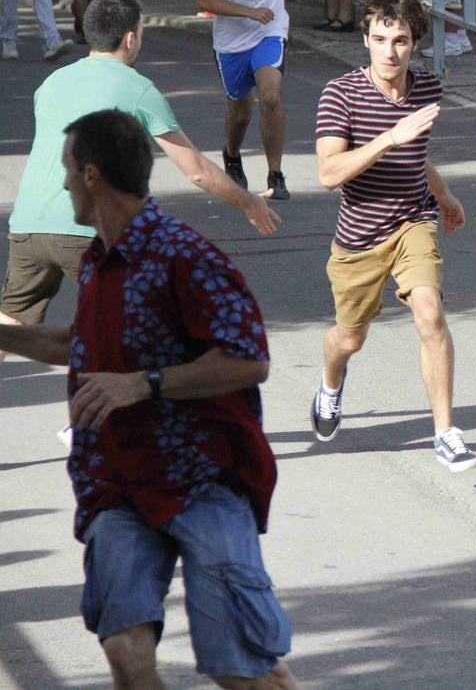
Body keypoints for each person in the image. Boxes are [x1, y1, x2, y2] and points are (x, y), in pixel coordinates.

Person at [0, 109, 297, 688]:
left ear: (91, 175)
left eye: (66, 170)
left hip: (203, 479)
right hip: (118, 484)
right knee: (126, 648)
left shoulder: (185, 255)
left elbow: (248, 358)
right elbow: (79, 342)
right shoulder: (97, 261)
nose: (61, 184)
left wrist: (143, 383)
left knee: (242, 669)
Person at [0, 0, 280, 367]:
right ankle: (105, 417)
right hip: (87, 228)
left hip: (29, 223)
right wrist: (249, 201)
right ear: (130, 38)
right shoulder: (138, 88)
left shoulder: (51, 83)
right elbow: (195, 167)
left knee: (12, 321)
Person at [313, 0, 476, 472]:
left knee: (430, 313)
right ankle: (329, 381)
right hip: (360, 236)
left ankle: (446, 432)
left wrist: (444, 194)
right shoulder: (339, 95)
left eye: (401, 40)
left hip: (414, 220)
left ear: (415, 43)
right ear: (365, 39)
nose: (390, 51)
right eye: (381, 39)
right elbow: (327, 174)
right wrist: (390, 135)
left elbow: (417, 155)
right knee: (349, 338)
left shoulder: (426, 87)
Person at [195, 0, 299, 200]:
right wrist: (249, 11)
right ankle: (231, 153)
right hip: (231, 41)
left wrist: (276, 17)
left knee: (270, 97)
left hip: (269, 33)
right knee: (241, 113)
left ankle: (276, 174)